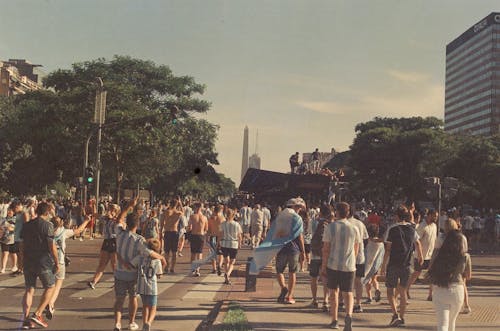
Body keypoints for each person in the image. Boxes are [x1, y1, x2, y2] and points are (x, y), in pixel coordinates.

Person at [113, 199, 166, 331]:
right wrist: (161, 257)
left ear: (127, 223)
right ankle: (131, 322)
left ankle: (117, 323)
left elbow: (119, 219)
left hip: (119, 272)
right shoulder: (139, 240)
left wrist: (128, 206)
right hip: (132, 274)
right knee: (133, 298)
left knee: (119, 300)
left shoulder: (119, 233)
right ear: (137, 225)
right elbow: (149, 253)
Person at [381, 205, 423, 328]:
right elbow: (418, 243)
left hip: (394, 263)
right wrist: (420, 255)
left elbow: (387, 249)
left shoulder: (392, 229)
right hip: (407, 264)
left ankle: (395, 314)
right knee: (403, 290)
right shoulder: (412, 229)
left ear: (397, 216)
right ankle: (402, 317)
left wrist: (383, 265)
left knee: (390, 290)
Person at [20, 202, 59, 329]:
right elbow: (51, 246)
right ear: (47, 212)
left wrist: (21, 261)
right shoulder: (48, 226)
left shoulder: (26, 226)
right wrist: (57, 262)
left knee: (29, 289)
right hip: (43, 261)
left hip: (28, 260)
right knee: (50, 286)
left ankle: (26, 318)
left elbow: (22, 245)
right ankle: (38, 313)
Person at [321, 202, 360, 330]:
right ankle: (349, 315)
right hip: (349, 265)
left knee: (334, 292)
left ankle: (335, 319)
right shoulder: (354, 228)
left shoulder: (330, 228)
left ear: (336, 212)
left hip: (333, 264)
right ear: (348, 213)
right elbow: (356, 247)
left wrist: (323, 266)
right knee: (348, 292)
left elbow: (326, 249)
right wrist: (352, 259)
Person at [46, 213, 90, 320]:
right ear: (61, 223)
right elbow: (78, 230)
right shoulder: (63, 232)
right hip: (60, 261)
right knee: (58, 284)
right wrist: (87, 221)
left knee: (49, 285)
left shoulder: (47, 232)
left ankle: (46, 302)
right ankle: (51, 304)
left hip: (47, 261)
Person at [427, 230, 471, 331]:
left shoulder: (439, 254)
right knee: (452, 321)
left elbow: (431, 270)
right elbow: (468, 276)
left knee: (442, 324)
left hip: (440, 289)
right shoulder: (465, 256)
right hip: (457, 290)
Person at [275, 198, 306, 305]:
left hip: (281, 248)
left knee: (279, 271)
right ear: (293, 207)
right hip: (294, 249)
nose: (299, 209)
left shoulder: (280, 217)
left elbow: (276, 233)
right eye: (298, 207)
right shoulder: (297, 218)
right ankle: (289, 296)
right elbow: (300, 236)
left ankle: (283, 288)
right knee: (292, 272)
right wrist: (303, 252)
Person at [88, 204, 124, 289]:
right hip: (107, 241)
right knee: (102, 264)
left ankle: (118, 282)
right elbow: (95, 215)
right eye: (109, 209)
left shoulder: (118, 220)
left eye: (111, 210)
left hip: (114, 241)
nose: (109, 211)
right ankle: (93, 282)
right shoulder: (105, 218)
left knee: (114, 264)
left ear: (116, 212)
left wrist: (114, 218)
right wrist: (94, 205)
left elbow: (123, 226)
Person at [132, 238, 163, 331]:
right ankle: (149, 322)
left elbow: (132, 264)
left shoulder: (140, 258)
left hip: (141, 286)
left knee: (145, 306)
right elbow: (159, 274)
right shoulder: (157, 261)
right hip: (152, 286)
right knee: (153, 307)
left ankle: (144, 322)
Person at [407, 209, 437, 300]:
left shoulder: (434, 226)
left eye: (436, 216)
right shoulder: (422, 226)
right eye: (434, 216)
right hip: (421, 255)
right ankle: (406, 289)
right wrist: (420, 255)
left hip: (431, 255)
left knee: (432, 274)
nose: (436, 218)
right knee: (416, 273)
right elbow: (417, 241)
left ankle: (430, 294)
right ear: (429, 215)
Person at [308, 204, 333, 311]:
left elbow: (310, 233)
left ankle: (314, 299)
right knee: (325, 278)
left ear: (320, 212)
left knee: (314, 278)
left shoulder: (314, 222)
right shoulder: (331, 224)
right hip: (326, 255)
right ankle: (325, 300)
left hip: (314, 254)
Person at [347, 211, 369, 313]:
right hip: (360, 256)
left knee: (345, 280)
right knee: (358, 281)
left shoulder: (344, 223)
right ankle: (358, 303)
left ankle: (343, 302)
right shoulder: (360, 224)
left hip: (346, 256)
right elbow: (366, 239)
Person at [219, 208, 242, 285]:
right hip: (233, 244)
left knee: (226, 261)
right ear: (233, 215)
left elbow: (220, 235)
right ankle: (228, 274)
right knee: (232, 262)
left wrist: (218, 243)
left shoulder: (222, 224)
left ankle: (226, 277)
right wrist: (240, 243)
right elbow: (239, 235)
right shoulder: (236, 224)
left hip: (224, 243)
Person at [160, 198, 183, 273]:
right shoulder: (178, 213)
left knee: (167, 252)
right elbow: (183, 212)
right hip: (174, 232)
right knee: (174, 252)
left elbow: (162, 223)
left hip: (167, 232)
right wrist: (180, 204)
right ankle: (172, 268)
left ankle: (167, 266)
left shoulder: (166, 212)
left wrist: (160, 232)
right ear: (176, 205)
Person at [187, 202, 208, 276]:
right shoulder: (204, 217)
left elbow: (189, 227)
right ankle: (198, 270)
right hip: (201, 235)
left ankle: (192, 269)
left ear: (196, 208)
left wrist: (188, 235)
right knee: (199, 254)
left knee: (193, 253)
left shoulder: (192, 216)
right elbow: (206, 229)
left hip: (194, 235)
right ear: (201, 208)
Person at [207, 204, 225, 275]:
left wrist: (207, 236)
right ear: (221, 210)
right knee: (221, 253)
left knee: (212, 253)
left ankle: (214, 268)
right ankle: (219, 265)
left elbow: (208, 228)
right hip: (220, 237)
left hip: (212, 236)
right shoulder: (222, 218)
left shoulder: (211, 218)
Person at [1, 206, 17, 273]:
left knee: (13, 253)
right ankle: (3, 268)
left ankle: (14, 266)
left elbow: (16, 229)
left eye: (11, 211)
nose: (9, 212)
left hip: (13, 239)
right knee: (5, 253)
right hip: (4, 238)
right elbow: (1, 227)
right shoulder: (3, 219)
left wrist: (11, 228)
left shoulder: (16, 219)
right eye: (8, 210)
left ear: (14, 212)